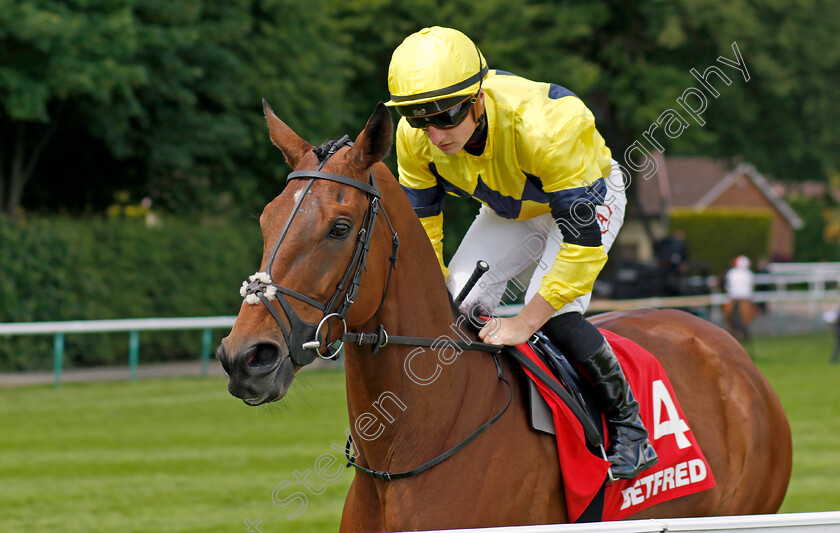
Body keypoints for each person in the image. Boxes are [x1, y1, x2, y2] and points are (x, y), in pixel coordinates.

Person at [385, 26, 656, 480]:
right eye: (418, 118)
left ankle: (630, 427)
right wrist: (432, 298)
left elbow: (581, 246)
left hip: (586, 201)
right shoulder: (413, 140)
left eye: (446, 116)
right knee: (453, 306)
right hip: (514, 207)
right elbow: (423, 231)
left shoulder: (549, 127)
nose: (434, 134)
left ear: (477, 98)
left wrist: (524, 322)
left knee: (556, 313)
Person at [723, 255, 756, 342]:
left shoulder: (731, 272)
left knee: (727, 315)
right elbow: (751, 287)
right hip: (746, 298)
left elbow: (728, 286)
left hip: (733, 298)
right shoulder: (749, 274)